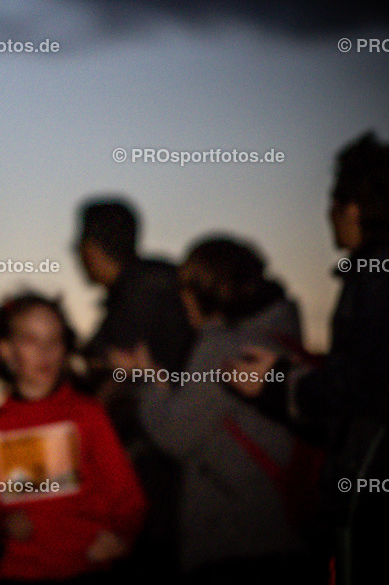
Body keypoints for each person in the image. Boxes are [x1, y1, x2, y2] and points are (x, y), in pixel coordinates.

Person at [230, 132, 389, 584]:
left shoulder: (383, 277)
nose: (327, 217)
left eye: (332, 204)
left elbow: (363, 393)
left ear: (352, 210)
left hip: (376, 507)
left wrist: (276, 383)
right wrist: (284, 379)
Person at [129, 237, 321, 583]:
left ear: (205, 291)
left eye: (188, 288)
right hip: (282, 531)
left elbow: (175, 435)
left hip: (235, 538)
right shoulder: (275, 332)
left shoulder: (223, 347)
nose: (182, 298)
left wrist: (146, 382)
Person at [0, 293, 145, 584]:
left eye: (54, 340)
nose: (45, 351)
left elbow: (127, 496)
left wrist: (122, 538)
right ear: (5, 350)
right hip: (22, 572)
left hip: (87, 569)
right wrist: (3, 522)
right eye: (31, 340)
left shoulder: (87, 415)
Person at [72, 198, 192, 581]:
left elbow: (120, 378)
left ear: (90, 248)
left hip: (155, 471)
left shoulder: (139, 295)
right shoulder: (156, 286)